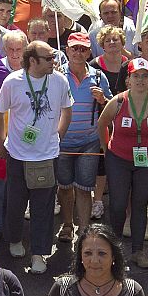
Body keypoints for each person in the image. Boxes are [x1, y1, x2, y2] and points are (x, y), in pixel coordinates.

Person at [0, 40, 72, 273]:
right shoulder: (12, 82)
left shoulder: (59, 80)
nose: (53, 62)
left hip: (47, 156)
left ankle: (39, 253)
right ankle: (15, 239)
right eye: (48, 58)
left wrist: (58, 135)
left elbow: (67, 110)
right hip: (17, 154)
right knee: (16, 203)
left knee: (43, 207)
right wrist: (1, 141)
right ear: (32, 61)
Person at [98, 57, 148, 269]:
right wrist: (106, 149)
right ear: (128, 80)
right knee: (119, 204)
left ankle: (138, 251)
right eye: (135, 76)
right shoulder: (118, 101)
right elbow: (102, 123)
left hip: (147, 159)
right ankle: (114, 249)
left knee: (140, 204)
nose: (140, 80)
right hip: (118, 158)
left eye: (144, 76)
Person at [56, 32, 109, 247]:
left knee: (85, 188)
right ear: (67, 50)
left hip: (89, 141)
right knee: (65, 186)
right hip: (62, 141)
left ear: (89, 52)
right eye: (74, 48)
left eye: (83, 49)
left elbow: (110, 106)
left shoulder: (98, 76)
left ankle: (85, 231)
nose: (79, 52)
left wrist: (102, 99)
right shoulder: (57, 75)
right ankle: (67, 224)